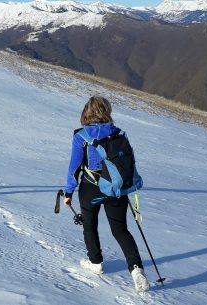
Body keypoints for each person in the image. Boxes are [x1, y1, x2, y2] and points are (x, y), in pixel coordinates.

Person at [63, 95, 150, 292]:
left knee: (89, 225)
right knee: (120, 230)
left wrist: (68, 192)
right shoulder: (119, 134)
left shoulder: (81, 136)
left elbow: (74, 167)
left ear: (86, 112)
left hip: (91, 188)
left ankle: (96, 262)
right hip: (117, 188)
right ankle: (136, 269)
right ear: (107, 111)